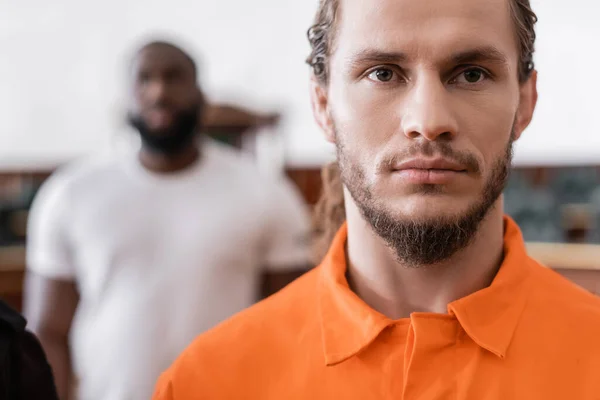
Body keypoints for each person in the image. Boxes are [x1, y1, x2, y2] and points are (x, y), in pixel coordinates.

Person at [152, 0, 600, 399]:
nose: (428, 121)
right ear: (323, 105)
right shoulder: (207, 383)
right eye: (382, 73)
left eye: (471, 74)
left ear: (525, 101)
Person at [23, 40, 311, 400]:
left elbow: (293, 326)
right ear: (126, 97)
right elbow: (48, 330)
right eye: (144, 79)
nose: (159, 91)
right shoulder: (70, 193)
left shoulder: (265, 192)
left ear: (200, 93)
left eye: (174, 77)